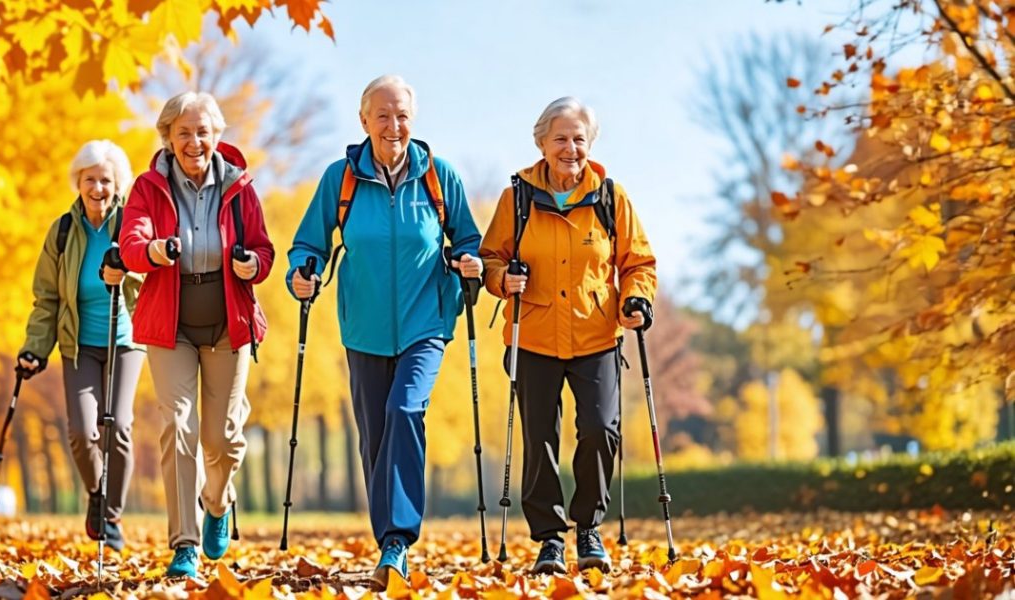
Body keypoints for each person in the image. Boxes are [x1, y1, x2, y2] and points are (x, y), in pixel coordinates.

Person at [287, 75, 483, 586]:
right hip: (364, 327)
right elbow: (310, 242)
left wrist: (469, 261)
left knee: (405, 409)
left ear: (412, 120)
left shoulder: (439, 177)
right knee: (374, 436)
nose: (393, 125)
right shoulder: (342, 178)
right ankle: (387, 539)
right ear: (364, 120)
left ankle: (396, 541)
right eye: (383, 115)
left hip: (426, 323)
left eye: (402, 116)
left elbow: (467, 237)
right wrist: (303, 271)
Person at [479, 97, 657, 574]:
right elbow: (489, 258)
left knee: (601, 429)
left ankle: (589, 527)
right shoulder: (515, 198)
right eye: (560, 138)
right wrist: (501, 279)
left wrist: (635, 300)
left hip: (596, 334)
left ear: (590, 144)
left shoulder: (610, 198)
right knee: (539, 440)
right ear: (541, 143)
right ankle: (549, 539)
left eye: (579, 138)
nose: (570, 148)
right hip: (532, 336)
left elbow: (637, 263)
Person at [119, 91, 274, 577]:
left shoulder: (240, 186)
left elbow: (264, 251)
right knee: (178, 427)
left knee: (223, 437)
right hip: (172, 324)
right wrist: (153, 254)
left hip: (229, 323)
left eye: (202, 131)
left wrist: (252, 264)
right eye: (183, 132)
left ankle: (217, 501)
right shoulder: (148, 186)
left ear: (217, 136)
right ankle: (184, 543)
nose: (194, 141)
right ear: (167, 137)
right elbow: (130, 243)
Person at [18, 139, 142, 551]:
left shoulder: (132, 224)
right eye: (90, 179)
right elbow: (47, 297)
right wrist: (35, 347)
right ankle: (96, 491)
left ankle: (111, 516)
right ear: (79, 181)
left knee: (118, 427)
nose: (97, 188)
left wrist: (126, 274)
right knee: (81, 432)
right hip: (79, 345)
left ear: (116, 184)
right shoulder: (63, 231)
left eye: (105, 180)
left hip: (125, 341)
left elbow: (150, 279)